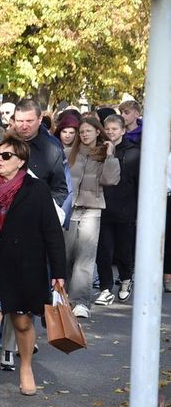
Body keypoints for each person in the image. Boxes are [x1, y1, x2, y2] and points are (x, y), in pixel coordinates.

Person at [0, 133, 66, 401]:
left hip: (25, 267)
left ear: (21, 161)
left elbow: (52, 232)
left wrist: (59, 272)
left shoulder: (36, 189)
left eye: (6, 156)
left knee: (22, 322)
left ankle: (26, 368)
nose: (0, 160)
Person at [65, 116, 119, 318]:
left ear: (97, 131)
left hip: (92, 208)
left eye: (88, 131)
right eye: (81, 132)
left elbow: (111, 180)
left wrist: (110, 155)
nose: (84, 134)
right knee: (66, 256)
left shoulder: (104, 154)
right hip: (70, 208)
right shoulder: (69, 153)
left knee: (85, 257)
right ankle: (64, 298)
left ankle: (80, 301)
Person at [95, 113, 140, 306]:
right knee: (104, 251)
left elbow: (138, 183)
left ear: (123, 130)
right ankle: (105, 288)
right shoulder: (99, 150)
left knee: (124, 249)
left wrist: (138, 210)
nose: (111, 132)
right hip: (103, 207)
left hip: (126, 209)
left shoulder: (134, 152)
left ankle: (126, 279)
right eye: (108, 129)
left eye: (115, 129)